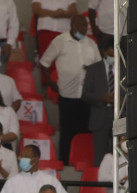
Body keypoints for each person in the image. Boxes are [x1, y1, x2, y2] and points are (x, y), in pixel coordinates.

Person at [40, 16, 99, 165]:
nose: (84, 29)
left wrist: (91, 70)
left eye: (85, 26)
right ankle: (65, 162)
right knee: (67, 131)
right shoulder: (60, 41)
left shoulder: (91, 44)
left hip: (87, 95)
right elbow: (45, 62)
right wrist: (50, 82)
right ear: (72, 25)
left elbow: (99, 67)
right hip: (67, 95)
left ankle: (84, 160)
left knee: (86, 130)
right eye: (81, 25)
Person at [82, 42, 116, 163]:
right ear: (104, 52)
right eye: (111, 54)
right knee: (99, 157)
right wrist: (102, 98)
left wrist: (122, 100)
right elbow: (85, 95)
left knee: (121, 154)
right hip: (100, 116)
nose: (114, 56)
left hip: (119, 115)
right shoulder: (93, 69)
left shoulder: (125, 68)